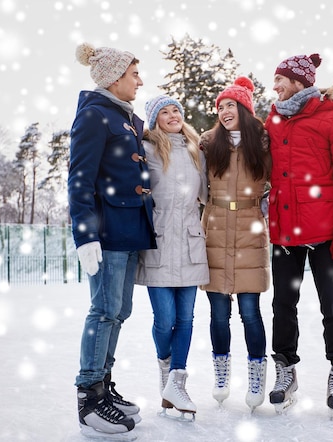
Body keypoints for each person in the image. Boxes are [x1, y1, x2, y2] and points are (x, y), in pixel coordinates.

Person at [264, 53, 333, 414]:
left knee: (332, 305)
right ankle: (285, 369)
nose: (274, 86)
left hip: (326, 234)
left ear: (299, 82)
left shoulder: (332, 120)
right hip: (285, 232)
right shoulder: (273, 121)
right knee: (282, 306)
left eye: (279, 80)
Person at [68, 42, 156, 435]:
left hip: (130, 229)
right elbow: (80, 180)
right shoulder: (94, 116)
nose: (140, 81)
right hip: (105, 232)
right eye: (134, 74)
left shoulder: (128, 119)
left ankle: (104, 387)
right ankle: (89, 398)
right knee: (103, 310)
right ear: (114, 78)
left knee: (119, 312)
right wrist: (85, 236)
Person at [199, 76, 272, 412]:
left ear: (244, 108)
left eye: (231, 104)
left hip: (249, 229)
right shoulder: (208, 143)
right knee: (217, 314)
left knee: (250, 312)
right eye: (221, 106)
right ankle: (221, 372)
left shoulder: (264, 142)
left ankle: (257, 375)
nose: (225, 110)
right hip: (214, 228)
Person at [134, 95, 209, 421]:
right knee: (165, 320)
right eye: (164, 112)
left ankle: (177, 380)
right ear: (155, 121)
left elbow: (208, 193)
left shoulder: (197, 151)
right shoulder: (148, 150)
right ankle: (165, 367)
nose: (172, 115)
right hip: (160, 244)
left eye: (175, 109)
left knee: (188, 318)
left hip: (192, 243)